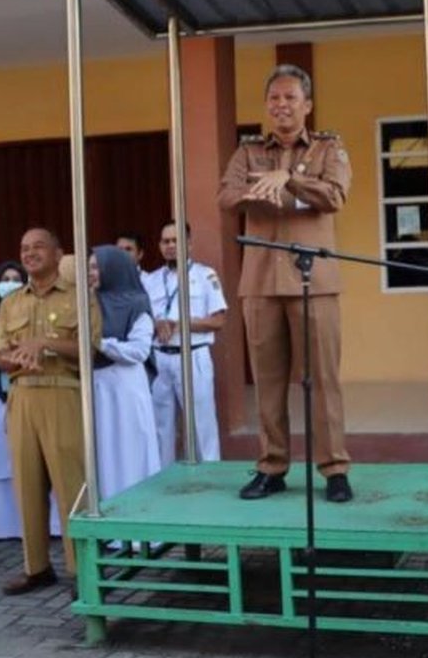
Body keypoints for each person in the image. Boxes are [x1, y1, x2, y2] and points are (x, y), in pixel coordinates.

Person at [219, 64, 353, 502]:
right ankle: (272, 467)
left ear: (307, 105)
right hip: (259, 280)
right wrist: (265, 191)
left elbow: (334, 195)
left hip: (314, 278)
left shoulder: (329, 148)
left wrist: (289, 181)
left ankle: (334, 469)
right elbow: (225, 196)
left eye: (290, 98)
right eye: (274, 98)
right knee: (268, 381)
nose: (281, 106)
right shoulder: (248, 152)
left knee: (323, 380)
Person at [0, 228, 101, 595]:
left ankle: (82, 569)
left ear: (58, 254)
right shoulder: (11, 304)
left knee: (72, 485)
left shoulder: (80, 298)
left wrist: (46, 344)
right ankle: (36, 567)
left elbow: (92, 348)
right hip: (22, 397)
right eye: (24, 248)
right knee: (26, 484)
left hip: (62, 394)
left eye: (38, 247)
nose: (30, 253)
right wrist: (15, 357)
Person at [0, 262, 61, 539]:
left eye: (16, 279)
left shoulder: (39, 313)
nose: (9, 284)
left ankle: (47, 524)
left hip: (32, 391)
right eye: (4, 279)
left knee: (38, 457)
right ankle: (4, 525)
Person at [143, 222, 227, 466]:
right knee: (162, 426)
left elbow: (219, 320)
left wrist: (178, 324)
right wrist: (157, 324)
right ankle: (163, 480)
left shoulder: (205, 275)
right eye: (165, 241)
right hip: (160, 358)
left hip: (193, 356)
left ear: (188, 244)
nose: (170, 246)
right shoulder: (152, 280)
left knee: (202, 424)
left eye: (176, 241)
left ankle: (210, 475)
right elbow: (143, 321)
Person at [89, 245, 159, 498]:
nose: (91, 273)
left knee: (129, 450)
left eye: (96, 267)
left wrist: (100, 343)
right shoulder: (87, 303)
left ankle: (138, 523)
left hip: (125, 386)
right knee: (104, 451)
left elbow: (139, 350)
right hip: (96, 386)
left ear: (114, 269)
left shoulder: (137, 302)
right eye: (89, 268)